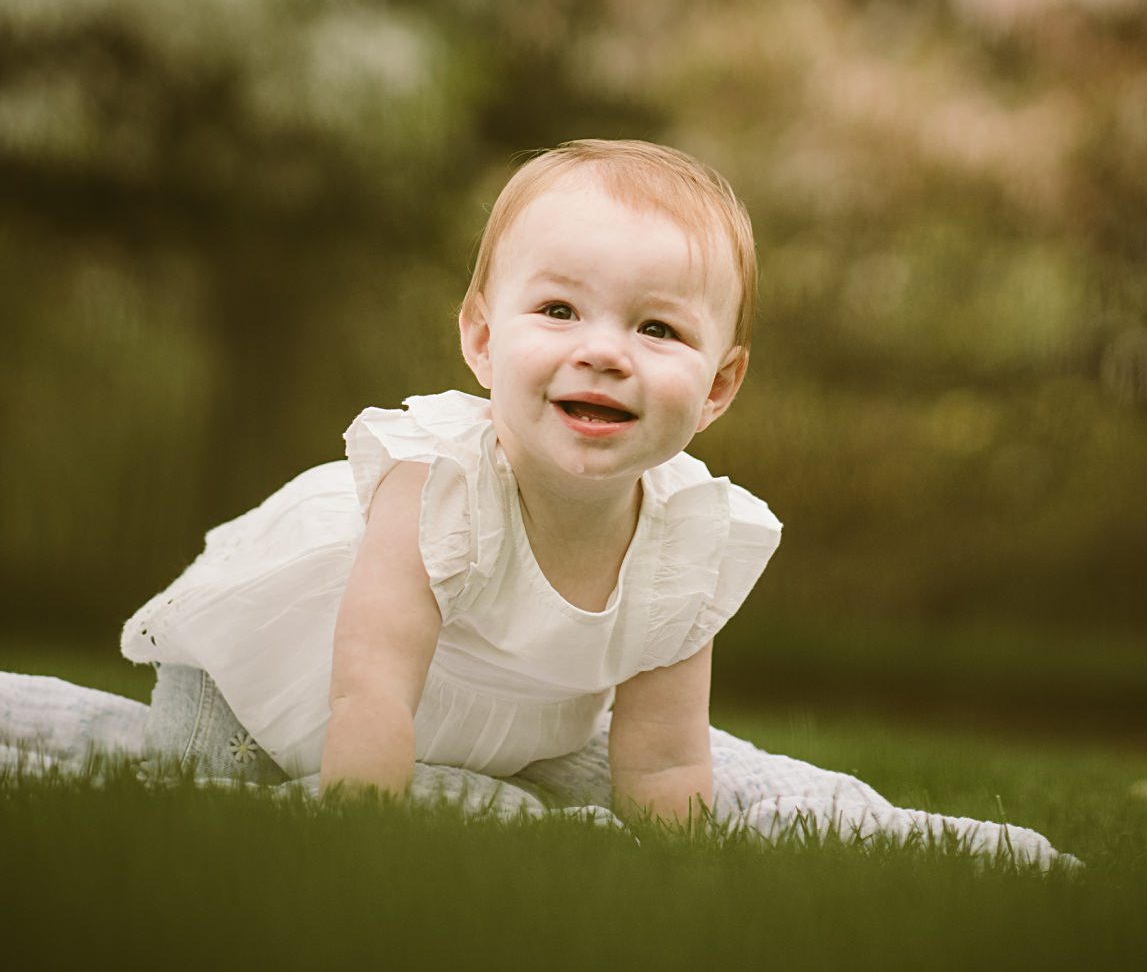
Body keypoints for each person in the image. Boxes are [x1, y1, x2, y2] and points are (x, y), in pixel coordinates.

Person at [1, 138, 1075, 866]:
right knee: (201, 796)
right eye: (558, 310)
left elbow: (658, 758)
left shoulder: (687, 533)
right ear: (480, 337)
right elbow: (369, 688)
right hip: (272, 689)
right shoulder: (439, 479)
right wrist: (362, 854)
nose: (603, 352)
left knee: (704, 780)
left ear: (718, 385)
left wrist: (675, 878)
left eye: (656, 330)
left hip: (500, 712)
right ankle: (33, 722)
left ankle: (928, 841)